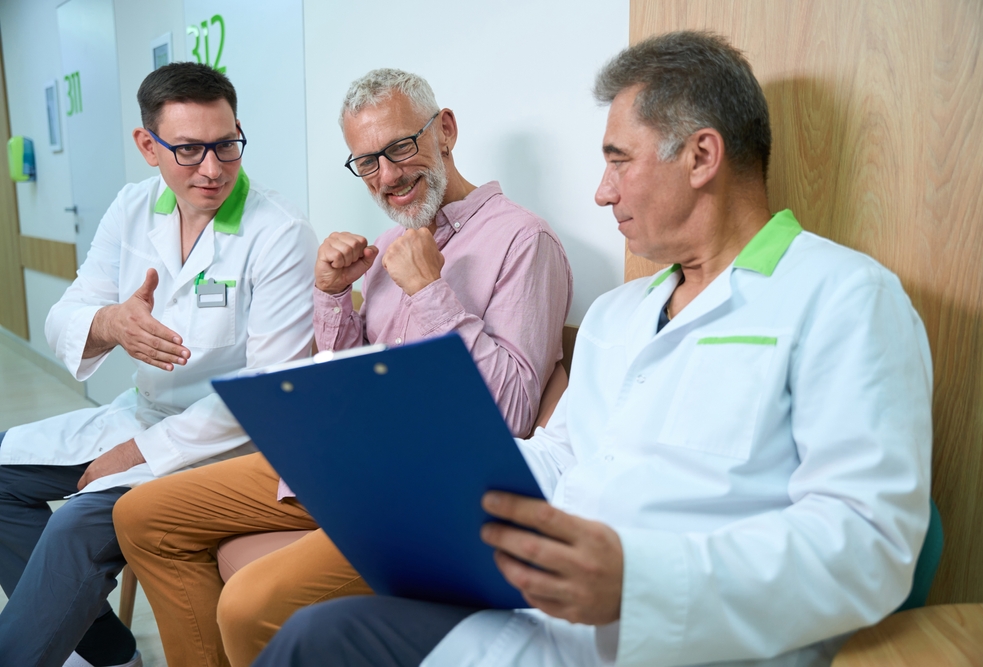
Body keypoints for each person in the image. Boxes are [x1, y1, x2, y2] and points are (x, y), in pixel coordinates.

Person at [254, 31, 933, 667]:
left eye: (617, 161)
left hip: (683, 638)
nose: (601, 191)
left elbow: (870, 544)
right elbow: (566, 454)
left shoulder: (844, 298)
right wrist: (424, 471)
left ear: (701, 156)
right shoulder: (620, 315)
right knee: (315, 634)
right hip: (550, 619)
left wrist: (641, 582)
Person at [113, 68, 573, 667]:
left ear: (446, 132)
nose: (388, 176)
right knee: (141, 514)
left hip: (429, 488)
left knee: (248, 604)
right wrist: (331, 293)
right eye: (367, 162)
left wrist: (432, 291)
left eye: (401, 147)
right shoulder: (388, 243)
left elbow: (510, 417)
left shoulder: (522, 241)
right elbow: (340, 378)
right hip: (348, 456)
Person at [0, 62, 317, 667]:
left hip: (226, 444)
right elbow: (68, 311)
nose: (213, 168)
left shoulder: (277, 234)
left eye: (226, 145)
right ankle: (107, 651)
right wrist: (110, 323)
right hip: (140, 416)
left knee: (77, 530)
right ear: (148, 146)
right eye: (189, 149)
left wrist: (139, 455)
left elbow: (265, 393)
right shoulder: (132, 208)